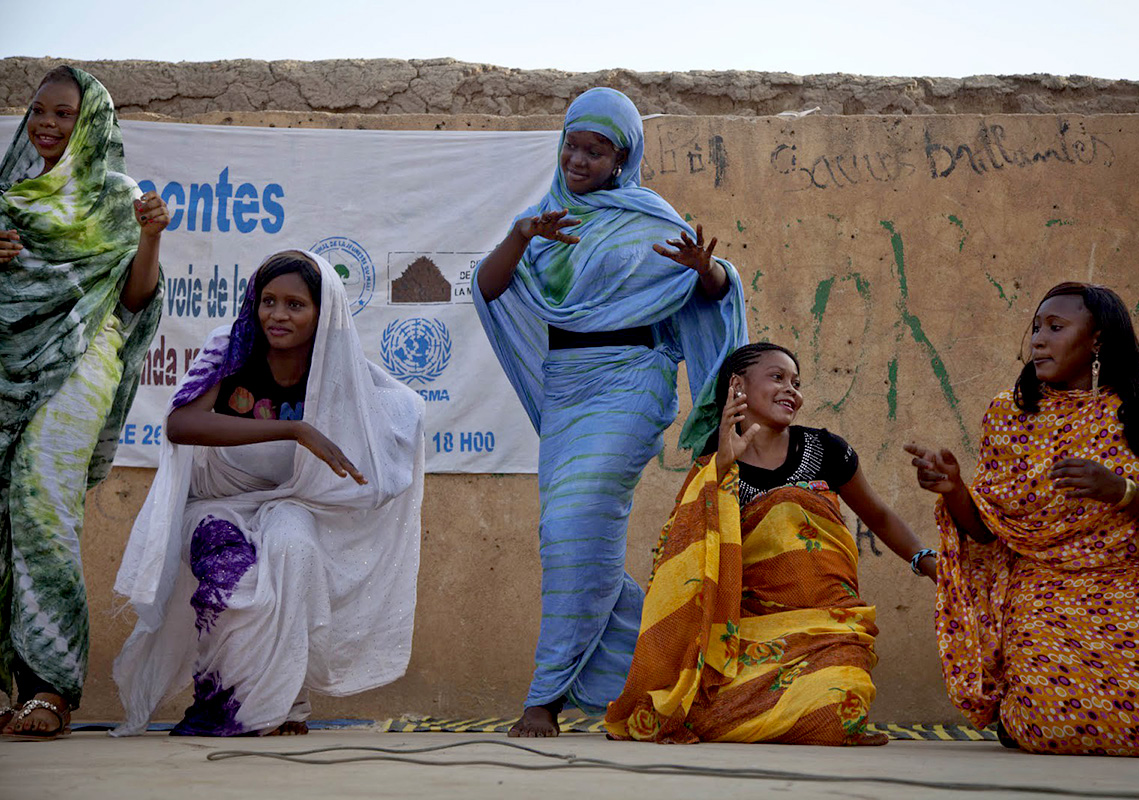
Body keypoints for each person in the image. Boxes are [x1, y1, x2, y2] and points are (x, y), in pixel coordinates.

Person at [473, 87, 747, 737]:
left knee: (577, 519)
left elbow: (706, 291)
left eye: (596, 150)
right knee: (569, 540)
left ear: (622, 158)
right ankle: (668, 669)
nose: (580, 159)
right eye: (572, 145)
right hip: (568, 386)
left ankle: (544, 697)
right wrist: (518, 237)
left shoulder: (651, 218)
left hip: (634, 380)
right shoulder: (543, 220)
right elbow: (488, 289)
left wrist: (709, 275)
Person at [111, 250, 424, 737]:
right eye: (268, 301)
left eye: (295, 305)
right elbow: (180, 423)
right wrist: (293, 429)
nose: (277, 315)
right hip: (216, 504)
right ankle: (221, 701)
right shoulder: (230, 350)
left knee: (295, 552)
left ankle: (286, 702)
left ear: (323, 314)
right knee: (229, 576)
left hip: (291, 503)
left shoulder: (337, 371)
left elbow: (399, 410)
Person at [906, 282, 1139, 757]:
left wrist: (1123, 491)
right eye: (1036, 328)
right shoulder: (1010, 414)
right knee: (1045, 724)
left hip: (1132, 582)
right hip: (1043, 587)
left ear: (1098, 339)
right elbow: (988, 530)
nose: (1037, 339)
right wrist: (956, 489)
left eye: (1055, 327)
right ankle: (1018, 703)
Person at [605, 342, 935, 744]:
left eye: (796, 382)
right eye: (777, 377)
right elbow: (680, 553)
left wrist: (926, 560)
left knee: (837, 711)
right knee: (694, 708)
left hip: (830, 627)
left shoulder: (827, 450)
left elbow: (879, 515)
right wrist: (721, 468)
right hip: (751, 631)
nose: (791, 390)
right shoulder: (714, 463)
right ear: (738, 386)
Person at [0, 66, 166, 740]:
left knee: (42, 507)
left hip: (79, 361)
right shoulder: (5, 196)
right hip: (5, 363)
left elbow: (134, 301)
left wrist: (150, 237)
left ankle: (50, 689)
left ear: (91, 121)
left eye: (65, 114)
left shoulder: (117, 197)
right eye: (39, 110)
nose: (47, 124)